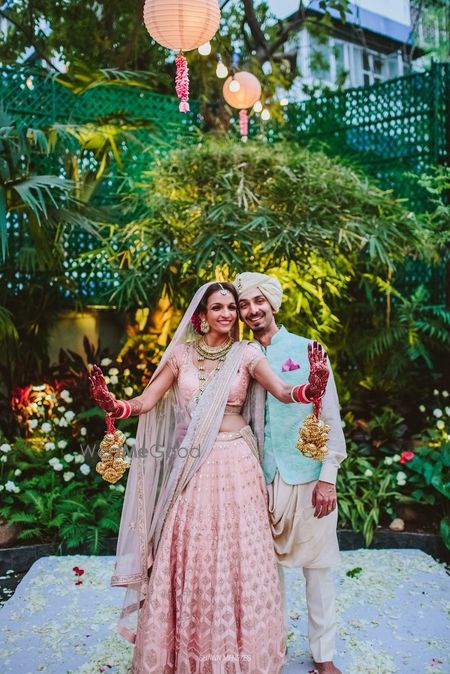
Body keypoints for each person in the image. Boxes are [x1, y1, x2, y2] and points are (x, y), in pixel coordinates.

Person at [89, 281, 330, 674]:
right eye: (219, 308)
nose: (228, 315)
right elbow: (146, 402)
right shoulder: (180, 355)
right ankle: (189, 653)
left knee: (238, 558)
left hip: (237, 462)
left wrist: (309, 389)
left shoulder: (246, 353)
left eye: (231, 308)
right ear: (201, 316)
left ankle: (243, 653)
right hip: (193, 467)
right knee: (191, 552)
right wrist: (114, 405)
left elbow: (283, 391)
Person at [234, 272, 347, 674]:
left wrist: (327, 477)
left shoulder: (308, 349)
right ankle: (270, 649)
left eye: (257, 302)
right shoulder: (239, 357)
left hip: (308, 476)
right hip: (259, 477)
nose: (252, 311)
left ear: (273, 304)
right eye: (244, 304)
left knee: (317, 570)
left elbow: (329, 414)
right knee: (266, 575)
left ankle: (324, 655)